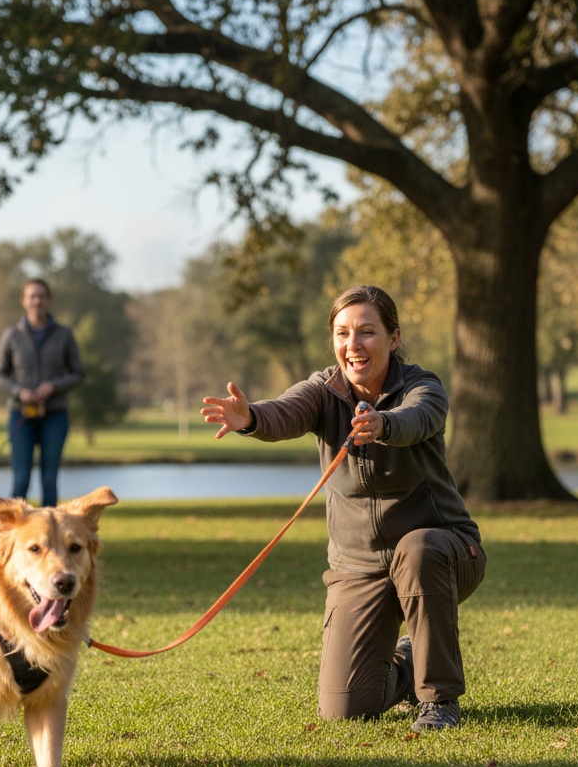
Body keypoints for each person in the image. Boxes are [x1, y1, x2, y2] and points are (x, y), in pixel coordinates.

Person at [201, 285, 486, 731]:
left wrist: (383, 424)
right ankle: (411, 662)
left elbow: (419, 419)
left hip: (444, 554)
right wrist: (252, 418)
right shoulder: (323, 391)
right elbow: (287, 411)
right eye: (343, 333)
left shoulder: (423, 386)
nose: (353, 345)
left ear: (393, 338)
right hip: (360, 569)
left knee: (419, 549)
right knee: (344, 708)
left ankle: (439, 699)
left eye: (367, 332)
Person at [0, 277, 84, 506]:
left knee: (49, 479)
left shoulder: (64, 335)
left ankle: (50, 535)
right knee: (21, 478)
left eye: (41, 296)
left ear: (49, 301)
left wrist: (54, 386)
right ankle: (13, 535)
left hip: (55, 414)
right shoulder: (11, 335)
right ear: (23, 301)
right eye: (32, 296)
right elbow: (0, 374)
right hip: (21, 414)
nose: (37, 301)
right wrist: (18, 391)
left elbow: (78, 373)